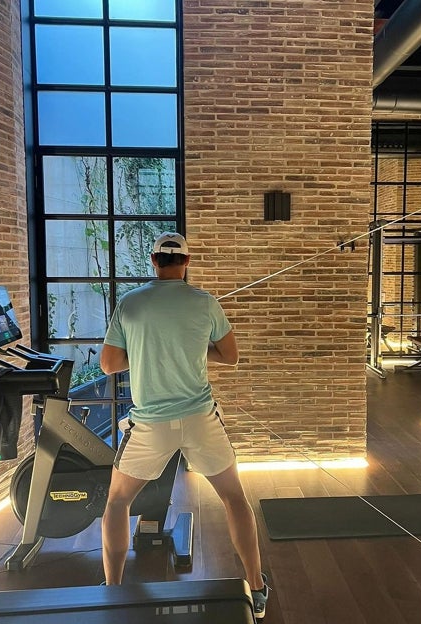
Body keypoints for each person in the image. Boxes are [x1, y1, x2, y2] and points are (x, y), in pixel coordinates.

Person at [99, 232, 269, 619]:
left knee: (117, 502)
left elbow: (108, 365)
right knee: (234, 498)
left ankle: (112, 592)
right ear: (187, 262)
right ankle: (256, 589)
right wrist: (190, 347)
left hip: (150, 425)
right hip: (199, 420)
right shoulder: (205, 303)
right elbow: (231, 357)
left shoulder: (130, 303)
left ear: (153, 260)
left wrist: (147, 352)